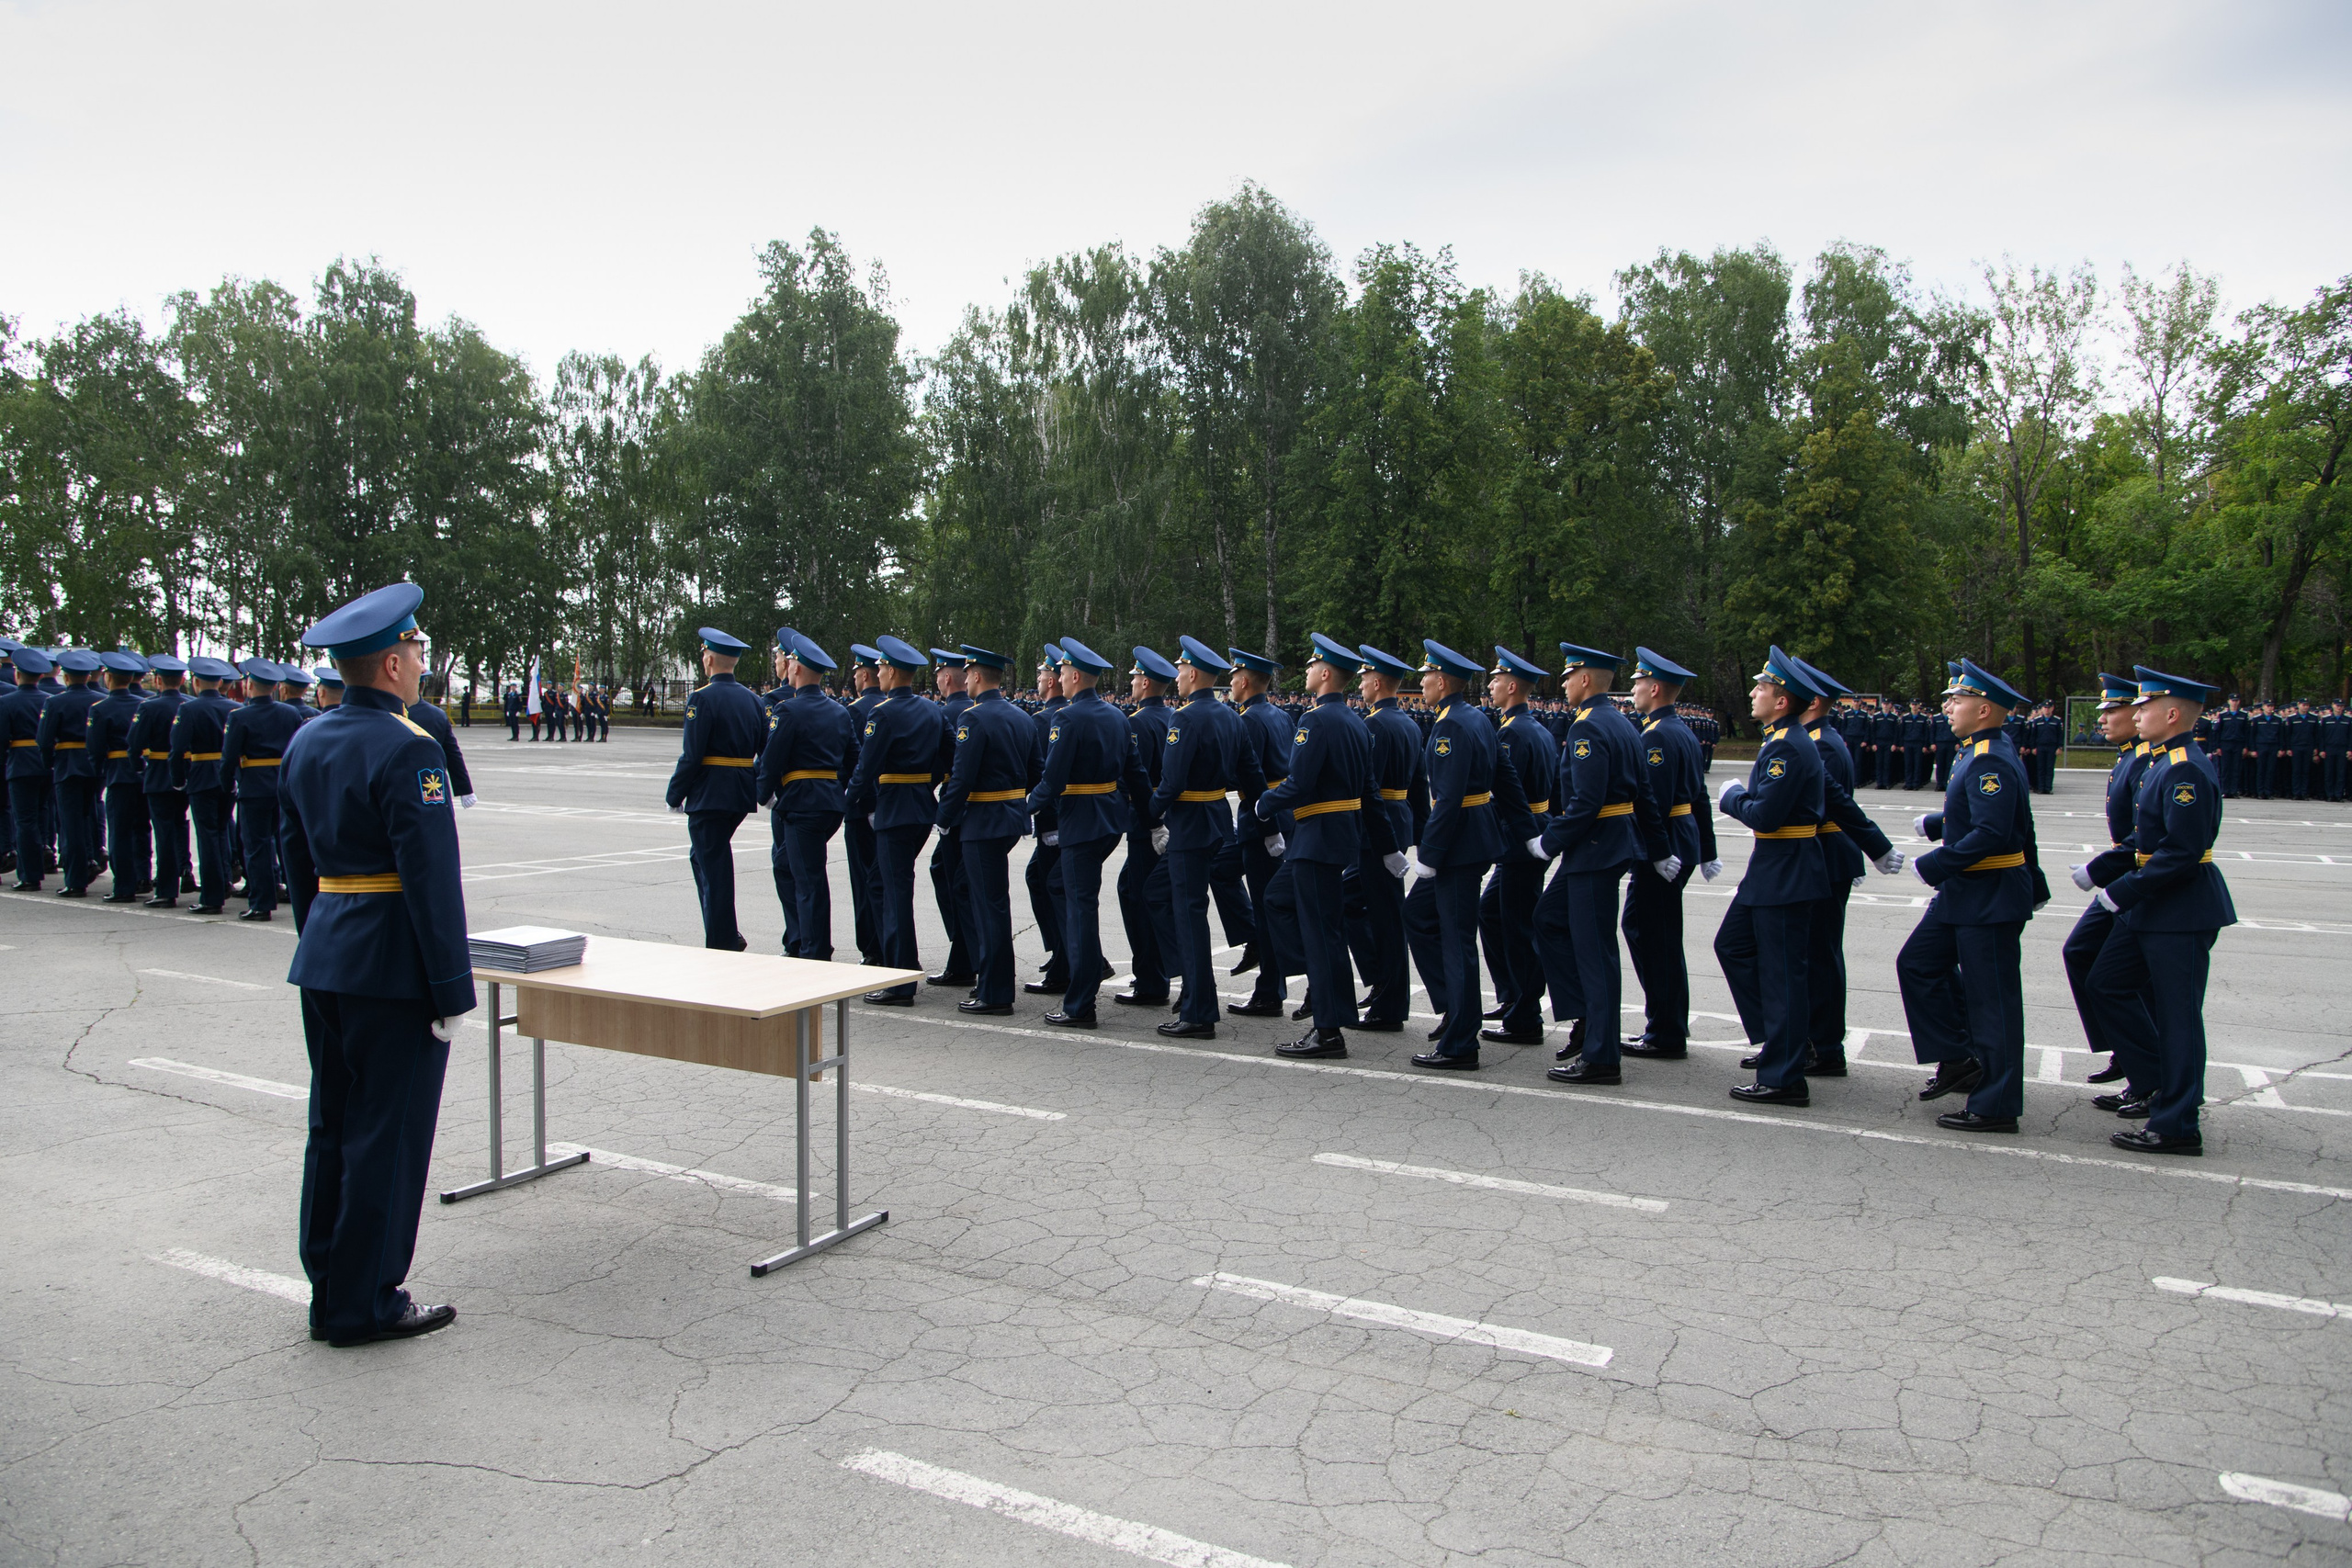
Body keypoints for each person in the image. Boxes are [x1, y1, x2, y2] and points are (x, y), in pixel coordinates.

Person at [280, 581, 469, 1348]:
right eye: (418, 650)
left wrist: (321, 936)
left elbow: (296, 863)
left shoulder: (307, 739)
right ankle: (368, 1300)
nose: (423, 661)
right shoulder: (408, 748)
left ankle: (330, 1283)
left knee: (333, 1124)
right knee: (387, 1136)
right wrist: (451, 986)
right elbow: (430, 881)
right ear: (392, 663)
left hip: (326, 954)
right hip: (392, 966)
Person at [2079, 667, 2236, 1156]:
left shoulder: (2185, 766)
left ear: (2171, 714)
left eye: (2144, 706)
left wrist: (2124, 889)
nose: (2136, 711)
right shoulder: (2161, 762)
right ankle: (2154, 1081)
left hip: (2181, 906)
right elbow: (2145, 838)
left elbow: (2180, 852)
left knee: (2178, 1017)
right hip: (2155, 903)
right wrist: (2105, 871)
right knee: (2106, 981)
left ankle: (2177, 1125)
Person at [1895, 658, 2046, 1134]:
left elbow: (1994, 833)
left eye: (1956, 700)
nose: (1948, 706)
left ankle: (1996, 1104)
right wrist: (1941, 825)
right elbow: (2003, 819)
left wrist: (1935, 863)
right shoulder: (1976, 750)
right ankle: (1960, 1058)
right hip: (1969, 892)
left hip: (1989, 895)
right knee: (1918, 963)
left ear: (1984, 709)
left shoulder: (1990, 758)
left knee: (1993, 1003)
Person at [1246, 634, 1384, 1057]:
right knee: (1293, 909)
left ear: (1325, 674)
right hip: (1337, 836)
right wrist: (1388, 843)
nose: (1305, 673)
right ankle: (1330, 1003)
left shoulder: (1316, 721)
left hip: (1316, 838)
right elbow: (1370, 791)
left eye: (1310, 667)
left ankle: (1327, 1030)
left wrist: (1263, 805)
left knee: (1318, 931)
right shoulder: (1357, 723)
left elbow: (1298, 782)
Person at [1530, 642, 1657, 1083]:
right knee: (1548, 919)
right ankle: (1585, 1019)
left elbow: (1586, 803)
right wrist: (1658, 848)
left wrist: (1549, 842)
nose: (1562, 684)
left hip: (1595, 848)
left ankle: (1601, 1056)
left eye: (1568, 676)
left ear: (1585, 679)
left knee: (1596, 952)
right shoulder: (1622, 723)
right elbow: (1645, 795)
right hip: (1607, 845)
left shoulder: (1588, 728)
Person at [1713, 648, 1832, 1106]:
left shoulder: (1786, 744)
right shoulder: (1781, 738)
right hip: (1775, 870)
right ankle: (1782, 1041)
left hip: (1786, 871)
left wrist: (1732, 797)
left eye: (1761, 687)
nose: (1753, 692)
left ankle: (1784, 1076)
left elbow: (1766, 816)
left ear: (1781, 701)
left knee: (1783, 975)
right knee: (1733, 945)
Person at [1406, 640, 1528, 1070]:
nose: (1421, 683)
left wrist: (1431, 853)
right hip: (1472, 838)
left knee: (1457, 943)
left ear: (1441, 681)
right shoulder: (1475, 717)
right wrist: (1528, 830)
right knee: (1418, 916)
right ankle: (1456, 1012)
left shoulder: (1453, 725)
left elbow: (1450, 797)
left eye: (1425, 676)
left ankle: (1460, 1042)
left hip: (1458, 845)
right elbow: (1506, 776)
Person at [1785, 657, 1904, 1077]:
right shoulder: (1822, 739)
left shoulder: (1820, 744)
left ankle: (1824, 1045)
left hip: (1823, 857)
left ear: (1812, 701)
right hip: (1830, 856)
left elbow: (1826, 806)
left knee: (1818, 956)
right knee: (1818, 953)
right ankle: (1816, 1042)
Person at [1024, 637, 1147, 1027]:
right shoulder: (1117, 716)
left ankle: (1080, 1004)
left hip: (1080, 820)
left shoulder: (1067, 718)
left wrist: (1019, 807)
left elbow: (1053, 779)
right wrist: (1153, 815)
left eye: (1061, 672)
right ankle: (1086, 975)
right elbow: (1136, 774)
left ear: (1075, 676)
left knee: (1080, 911)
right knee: (1073, 896)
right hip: (1109, 821)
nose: (1058, 678)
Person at [1145, 637, 1261, 1039]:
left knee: (1189, 916)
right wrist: (1268, 819)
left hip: (1191, 826)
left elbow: (1172, 782)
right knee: (1164, 897)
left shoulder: (1186, 718)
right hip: (1216, 820)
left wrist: (1150, 811)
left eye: (1179, 670)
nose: (1175, 678)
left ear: (1192, 674)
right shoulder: (1231, 716)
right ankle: (1195, 997)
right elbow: (1251, 775)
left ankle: (1198, 1012)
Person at [1619, 649, 1718, 1061]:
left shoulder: (1657, 735)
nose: (1633, 690)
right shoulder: (1679, 731)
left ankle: (1665, 1030)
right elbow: (1700, 797)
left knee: (1651, 935)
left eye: (1638, 683)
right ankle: (1667, 1024)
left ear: (1655, 688)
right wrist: (1707, 849)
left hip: (1664, 848)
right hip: (1682, 841)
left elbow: (1652, 803)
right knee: (1658, 934)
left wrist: (1654, 852)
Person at [2062, 673, 2154, 1094]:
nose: (2103, 718)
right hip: (2127, 871)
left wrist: (2101, 869)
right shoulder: (2127, 756)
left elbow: (2148, 836)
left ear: (2137, 714)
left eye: (2112, 710)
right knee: (2080, 951)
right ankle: (2125, 1048)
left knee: (2124, 976)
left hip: (2138, 878)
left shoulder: (2145, 760)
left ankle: (2143, 1064)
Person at [935, 644, 1036, 1014]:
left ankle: (994, 992)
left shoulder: (973, 718)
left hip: (982, 820)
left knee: (988, 906)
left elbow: (961, 778)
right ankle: (992, 984)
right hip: (1009, 818)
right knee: (993, 902)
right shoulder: (1022, 716)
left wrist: (944, 818)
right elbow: (1036, 771)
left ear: (975, 676)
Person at [847, 637, 945, 1003]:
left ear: (889, 671)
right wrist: (924, 783)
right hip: (920, 806)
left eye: (881, 669)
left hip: (894, 810)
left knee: (894, 892)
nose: (878, 674)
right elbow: (947, 757)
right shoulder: (932, 710)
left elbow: (865, 766)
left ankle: (900, 980)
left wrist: (849, 799)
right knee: (885, 884)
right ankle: (901, 961)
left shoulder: (883, 712)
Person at [1475, 649, 1556, 1048]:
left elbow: (1506, 794)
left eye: (1495, 681)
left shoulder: (1512, 733)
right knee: (1492, 914)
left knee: (1518, 927)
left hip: (1519, 840)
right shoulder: (1537, 728)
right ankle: (1512, 996)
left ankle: (1525, 1015)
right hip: (1530, 835)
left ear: (1511, 687)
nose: (1490, 687)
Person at [754, 630, 852, 960]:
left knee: (808, 880)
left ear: (796, 669)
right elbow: (853, 759)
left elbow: (771, 760)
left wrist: (764, 795)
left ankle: (814, 951)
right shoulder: (839, 711)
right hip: (829, 803)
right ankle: (802, 941)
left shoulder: (788, 711)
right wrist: (833, 786)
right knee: (791, 866)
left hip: (801, 805)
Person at [663, 627, 763, 951]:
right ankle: (725, 933)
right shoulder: (753, 700)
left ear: (709, 658)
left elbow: (692, 754)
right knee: (706, 858)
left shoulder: (701, 698)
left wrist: (675, 794)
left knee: (714, 865)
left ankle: (722, 941)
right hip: (738, 793)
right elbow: (766, 748)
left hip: (710, 795)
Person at [1346, 644, 1424, 1033]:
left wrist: (1384, 842)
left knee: (1383, 916)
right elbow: (1419, 787)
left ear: (1377, 682)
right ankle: (1383, 987)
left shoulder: (1374, 725)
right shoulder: (1409, 722)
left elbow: (1367, 790)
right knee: (1370, 909)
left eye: (1363, 678)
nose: (1360, 684)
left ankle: (1388, 1000)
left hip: (1378, 832)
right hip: (1397, 822)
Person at [1225, 648, 1294, 1017]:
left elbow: (1249, 778)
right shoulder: (1281, 715)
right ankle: (1254, 944)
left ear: (1246, 680)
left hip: (1261, 820)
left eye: (1235, 677)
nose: (1232, 683)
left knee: (1269, 908)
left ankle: (1270, 991)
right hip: (1281, 817)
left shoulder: (1249, 720)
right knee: (1223, 871)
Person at [1109, 648, 1177, 1009]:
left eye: (1135, 678)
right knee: (1132, 890)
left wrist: (1148, 822)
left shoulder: (1138, 722)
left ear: (1146, 681)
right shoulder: (1172, 716)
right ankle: (1151, 971)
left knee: (1141, 897)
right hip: (1167, 816)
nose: (1132, 683)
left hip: (1146, 819)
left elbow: (1135, 777)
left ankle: (1152, 980)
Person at [220, 658, 304, 920]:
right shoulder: (290, 713)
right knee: (284, 842)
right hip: (281, 785)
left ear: (249, 684)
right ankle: (293, 892)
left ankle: (261, 902)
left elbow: (229, 757)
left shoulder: (239, 716)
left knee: (256, 847)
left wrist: (227, 785)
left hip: (254, 787)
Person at [924, 649, 977, 988]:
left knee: (956, 882)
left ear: (946, 678)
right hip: (980, 808)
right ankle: (964, 956)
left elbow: (941, 765)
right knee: (956, 878)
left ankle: (963, 959)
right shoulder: (977, 709)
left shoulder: (948, 713)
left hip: (956, 809)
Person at [1022, 645, 1070, 993]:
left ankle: (1066, 962)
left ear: (1053, 681)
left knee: (1053, 885)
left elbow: (1045, 777)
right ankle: (1061, 953)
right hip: (1064, 820)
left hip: (1057, 822)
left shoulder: (1045, 720)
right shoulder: (1056, 715)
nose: (1037, 681)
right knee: (1040, 880)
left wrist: (1047, 824)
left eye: (1041, 675)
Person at [88, 652, 153, 902]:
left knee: (120, 832)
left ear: (108, 678)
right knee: (142, 828)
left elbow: (95, 749)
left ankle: (124, 886)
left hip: (118, 773)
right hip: (145, 772)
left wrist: (98, 774)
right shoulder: (144, 704)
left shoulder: (101, 709)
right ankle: (143, 877)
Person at [130, 655, 191, 906]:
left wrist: (139, 768)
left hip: (158, 772)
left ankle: (166, 889)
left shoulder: (148, 706)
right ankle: (185, 870)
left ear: (157, 680)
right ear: (183, 680)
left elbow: (134, 744)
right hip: (187, 773)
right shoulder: (191, 704)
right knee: (180, 825)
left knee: (164, 830)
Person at [842, 646, 888, 963]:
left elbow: (857, 764)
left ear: (863, 675)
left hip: (863, 807)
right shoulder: (891, 704)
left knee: (864, 881)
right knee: (886, 880)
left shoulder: (858, 710)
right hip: (891, 806)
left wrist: (853, 801)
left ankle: (872, 948)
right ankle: (888, 944)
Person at [2212, 694, 2246, 796]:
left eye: (2236, 700)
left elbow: (2246, 732)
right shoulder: (2223, 715)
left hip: (2238, 743)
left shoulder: (2243, 715)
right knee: (2225, 768)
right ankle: (2225, 790)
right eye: (2232, 700)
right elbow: (2217, 731)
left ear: (2239, 702)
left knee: (2236, 768)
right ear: (2229, 701)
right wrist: (2217, 747)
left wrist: (2245, 746)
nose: (2234, 703)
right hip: (2225, 743)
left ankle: (2234, 790)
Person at [2249, 699, 2282, 797]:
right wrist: (2253, 749)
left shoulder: (2277, 720)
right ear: (2263, 707)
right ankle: (2260, 791)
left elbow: (2281, 736)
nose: (2270, 708)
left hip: (2273, 746)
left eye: (2272, 706)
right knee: (2261, 770)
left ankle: (2268, 791)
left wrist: (2281, 748)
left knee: (2270, 770)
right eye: (2268, 706)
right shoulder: (2257, 720)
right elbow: (2252, 735)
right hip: (2261, 746)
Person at [2324, 698, 2351, 803]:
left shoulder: (2348, 720)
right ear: (2333, 706)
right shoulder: (2326, 720)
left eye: (2341, 706)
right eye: (2337, 705)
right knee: (2329, 773)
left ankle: (2338, 794)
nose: (2339, 708)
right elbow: (2322, 736)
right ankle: (2330, 795)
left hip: (2342, 749)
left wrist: (2350, 750)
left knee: (2341, 773)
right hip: (2329, 748)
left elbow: (2350, 737)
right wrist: (2322, 749)